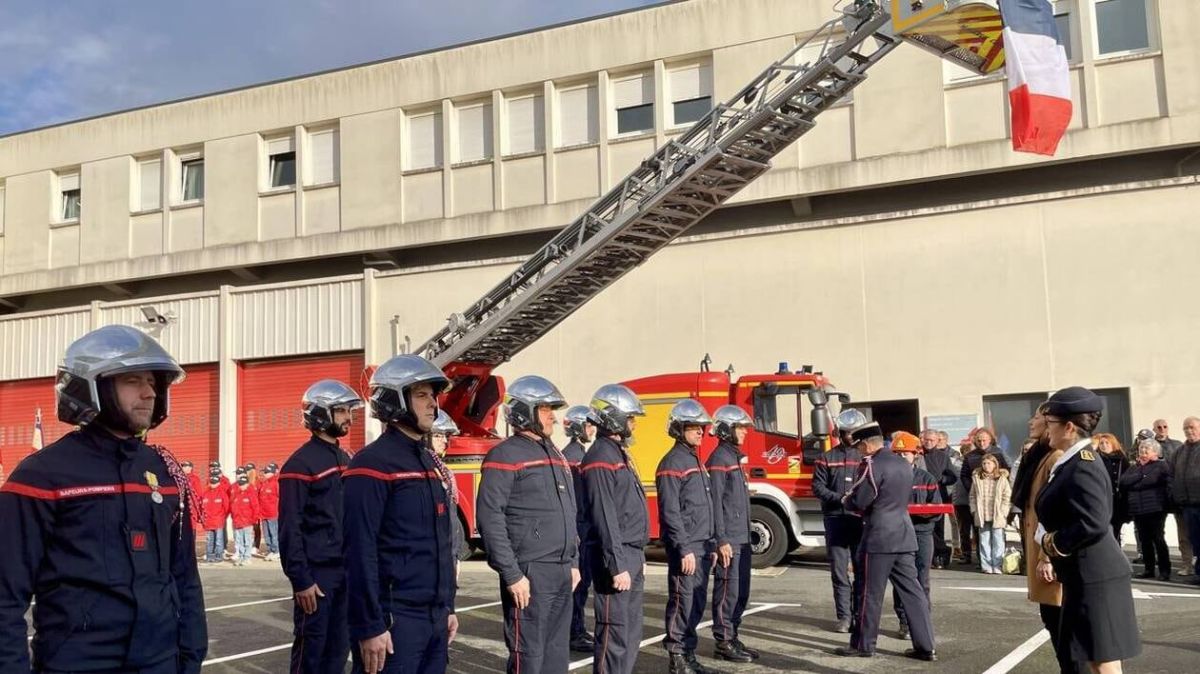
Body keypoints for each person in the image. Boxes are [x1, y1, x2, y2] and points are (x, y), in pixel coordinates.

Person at [0, 324, 208, 672]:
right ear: (91, 386)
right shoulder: (41, 476)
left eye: (152, 382)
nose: (149, 393)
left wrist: (190, 656)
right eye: (133, 381)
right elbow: (5, 595)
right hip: (78, 663)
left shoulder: (164, 472)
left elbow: (184, 576)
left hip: (160, 662)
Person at [344, 355, 458, 674]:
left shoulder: (429, 462)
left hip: (434, 618)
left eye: (433, 395)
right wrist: (370, 625)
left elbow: (441, 543)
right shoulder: (371, 465)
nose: (433, 404)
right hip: (394, 622)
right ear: (394, 400)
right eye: (421, 395)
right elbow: (358, 551)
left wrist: (447, 606)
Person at [477, 375, 579, 674]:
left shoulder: (554, 453)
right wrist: (512, 574)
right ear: (525, 411)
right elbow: (490, 517)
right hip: (530, 573)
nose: (553, 417)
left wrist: (573, 561)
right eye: (545, 409)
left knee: (556, 655)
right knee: (529, 657)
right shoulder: (504, 455)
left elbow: (570, 511)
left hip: (561, 570)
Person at [1036, 386, 1141, 672]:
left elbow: (1094, 521)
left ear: (1069, 427)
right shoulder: (1071, 461)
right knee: (1096, 660)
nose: (1047, 429)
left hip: (1096, 577)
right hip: (1084, 575)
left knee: (1103, 663)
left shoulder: (1083, 464)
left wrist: (1050, 542)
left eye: (1050, 423)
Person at [278, 378, 362, 674]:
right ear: (319, 413)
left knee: (339, 651)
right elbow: (290, 528)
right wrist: (301, 579)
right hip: (317, 577)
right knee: (311, 654)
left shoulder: (346, 458)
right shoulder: (299, 465)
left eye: (349, 411)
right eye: (341, 411)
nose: (348, 418)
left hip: (346, 573)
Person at [835, 421, 936, 661]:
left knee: (869, 594)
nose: (858, 450)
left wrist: (847, 500)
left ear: (867, 445)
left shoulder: (871, 465)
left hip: (879, 537)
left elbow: (861, 500)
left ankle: (864, 644)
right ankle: (926, 646)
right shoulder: (903, 464)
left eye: (859, 446)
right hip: (904, 534)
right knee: (913, 593)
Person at [582, 383, 649, 674]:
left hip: (630, 553)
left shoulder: (616, 454)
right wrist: (617, 564)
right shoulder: (600, 458)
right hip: (615, 557)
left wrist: (636, 556)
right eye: (630, 417)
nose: (633, 423)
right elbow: (605, 516)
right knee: (615, 633)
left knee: (631, 632)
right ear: (614, 417)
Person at [655, 400, 718, 674]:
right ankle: (677, 657)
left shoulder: (695, 460)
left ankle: (689, 653)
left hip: (702, 544)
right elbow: (670, 511)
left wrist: (711, 543)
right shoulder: (672, 463)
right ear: (679, 429)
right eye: (693, 427)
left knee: (697, 602)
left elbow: (704, 506)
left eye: (701, 427)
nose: (700, 432)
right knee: (683, 600)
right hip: (687, 547)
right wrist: (683, 548)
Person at [706, 405, 759, 663]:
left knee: (741, 592)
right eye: (740, 428)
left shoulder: (734, 457)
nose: (745, 432)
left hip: (742, 537)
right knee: (728, 591)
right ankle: (723, 641)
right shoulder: (719, 459)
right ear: (727, 429)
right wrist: (721, 539)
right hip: (730, 539)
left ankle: (733, 634)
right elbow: (715, 502)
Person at [811, 408, 865, 634]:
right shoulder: (826, 458)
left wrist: (859, 501)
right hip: (835, 519)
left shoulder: (866, 457)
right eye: (847, 432)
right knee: (839, 571)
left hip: (860, 519)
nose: (850, 436)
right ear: (840, 433)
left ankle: (860, 616)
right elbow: (817, 486)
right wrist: (840, 498)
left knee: (862, 571)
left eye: (854, 432)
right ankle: (844, 616)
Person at [890, 431, 941, 640]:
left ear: (916, 455)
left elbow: (937, 509)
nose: (901, 457)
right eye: (897, 454)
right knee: (901, 579)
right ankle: (904, 621)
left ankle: (922, 622)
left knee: (922, 579)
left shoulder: (926, 478)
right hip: (898, 533)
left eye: (905, 453)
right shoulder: (888, 478)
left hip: (922, 533)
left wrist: (917, 511)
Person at [562, 404, 598, 653]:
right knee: (579, 584)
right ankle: (573, 632)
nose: (592, 430)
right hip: (581, 529)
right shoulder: (575, 458)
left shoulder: (576, 454)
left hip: (581, 527)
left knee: (582, 585)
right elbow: (579, 500)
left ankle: (577, 627)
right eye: (588, 425)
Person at [956, 428, 1009, 567]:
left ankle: (998, 563)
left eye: (984, 440)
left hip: (996, 500)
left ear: (990, 440)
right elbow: (964, 475)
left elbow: (1007, 470)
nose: (981, 443)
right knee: (981, 534)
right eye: (979, 440)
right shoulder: (970, 456)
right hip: (979, 500)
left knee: (997, 535)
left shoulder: (999, 452)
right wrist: (972, 488)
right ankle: (983, 562)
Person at [1121, 438, 1172, 580]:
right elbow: (1124, 482)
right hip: (1138, 509)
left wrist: (1138, 480)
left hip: (1155, 508)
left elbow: (1151, 480)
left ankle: (1164, 570)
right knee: (1144, 540)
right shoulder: (1135, 467)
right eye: (1141, 449)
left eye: (1146, 449)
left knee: (1158, 539)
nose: (1143, 451)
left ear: (1155, 452)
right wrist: (1141, 475)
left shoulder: (1161, 466)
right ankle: (1149, 569)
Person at [429, 409, 468, 565]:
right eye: (438, 435)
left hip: (448, 552)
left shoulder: (443, 471)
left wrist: (455, 556)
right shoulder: (423, 469)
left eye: (446, 436)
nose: (444, 441)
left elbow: (451, 518)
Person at [919, 430, 957, 569]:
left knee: (938, 528)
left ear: (937, 441)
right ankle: (927, 556)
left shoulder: (943, 456)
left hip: (938, 495)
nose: (929, 442)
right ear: (922, 439)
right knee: (922, 527)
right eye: (926, 440)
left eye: (932, 440)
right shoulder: (917, 454)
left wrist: (942, 479)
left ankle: (939, 555)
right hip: (919, 496)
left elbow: (953, 476)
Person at [1168, 417, 1200, 581]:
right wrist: (1174, 494)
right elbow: (1171, 475)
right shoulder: (1179, 452)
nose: (1189, 431)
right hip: (1187, 505)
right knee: (1195, 541)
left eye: (1192, 427)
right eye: (1186, 428)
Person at [970, 453, 1012, 575]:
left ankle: (997, 565)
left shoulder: (1002, 478)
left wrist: (1004, 511)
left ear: (994, 464)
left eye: (989, 463)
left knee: (998, 541)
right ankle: (986, 565)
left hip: (997, 514)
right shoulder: (977, 478)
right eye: (984, 463)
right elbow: (972, 496)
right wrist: (974, 510)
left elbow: (1007, 496)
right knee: (984, 540)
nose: (986, 466)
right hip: (982, 513)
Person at [1094, 433, 1130, 543]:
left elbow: (1126, 480)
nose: (1104, 445)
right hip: (1102, 500)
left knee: (1116, 531)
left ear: (1113, 444)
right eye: (1101, 443)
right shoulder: (1096, 459)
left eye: (1107, 443)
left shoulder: (1122, 460)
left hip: (1117, 501)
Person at [230, 474, 260, 566]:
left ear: (247, 484)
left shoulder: (251, 495)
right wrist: (234, 518)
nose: (241, 486)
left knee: (247, 541)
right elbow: (232, 507)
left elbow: (256, 508)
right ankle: (241, 557)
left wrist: (253, 520)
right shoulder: (236, 495)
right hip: (237, 522)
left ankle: (247, 558)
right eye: (240, 484)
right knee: (239, 541)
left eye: (243, 484)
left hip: (247, 522)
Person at [201, 472, 231, 564]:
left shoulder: (222, 494)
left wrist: (222, 517)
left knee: (219, 540)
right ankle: (209, 556)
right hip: (208, 521)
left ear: (218, 483)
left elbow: (226, 507)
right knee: (209, 540)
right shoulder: (205, 494)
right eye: (212, 483)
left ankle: (219, 557)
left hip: (218, 521)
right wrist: (203, 518)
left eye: (215, 483)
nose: (213, 485)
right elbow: (201, 507)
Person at [258, 463, 281, 561]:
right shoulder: (264, 484)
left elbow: (281, 498)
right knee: (266, 534)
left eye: (267, 472)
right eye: (265, 472)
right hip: (263, 514)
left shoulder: (276, 483)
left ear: (273, 473)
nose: (265, 474)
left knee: (273, 533)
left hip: (273, 513)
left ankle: (277, 551)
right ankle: (270, 549)